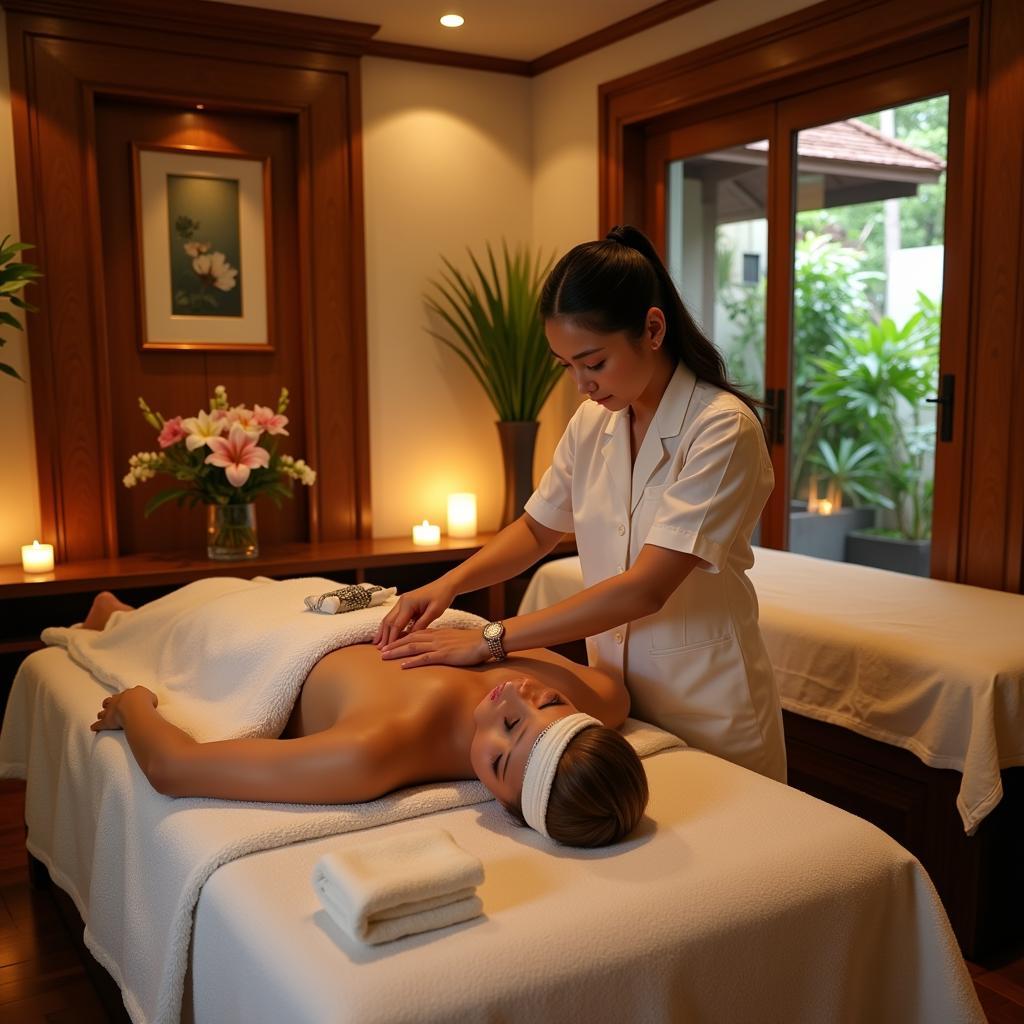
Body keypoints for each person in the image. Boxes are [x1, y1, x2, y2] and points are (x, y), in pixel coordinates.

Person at [377, 225, 785, 783]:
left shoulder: (721, 429)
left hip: (707, 706)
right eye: (567, 365)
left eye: (593, 363)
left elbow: (646, 587)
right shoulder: (595, 421)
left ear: (653, 328)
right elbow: (537, 530)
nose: (581, 385)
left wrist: (490, 640)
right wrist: (448, 584)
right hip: (614, 701)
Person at [84, 592, 648, 848]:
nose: (511, 698)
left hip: (277, 638)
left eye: (502, 746)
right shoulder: (597, 699)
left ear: (501, 801)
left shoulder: (377, 750)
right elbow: (614, 687)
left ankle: (118, 616)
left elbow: (173, 766)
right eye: (545, 704)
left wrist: (135, 704)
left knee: (183, 616)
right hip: (347, 602)